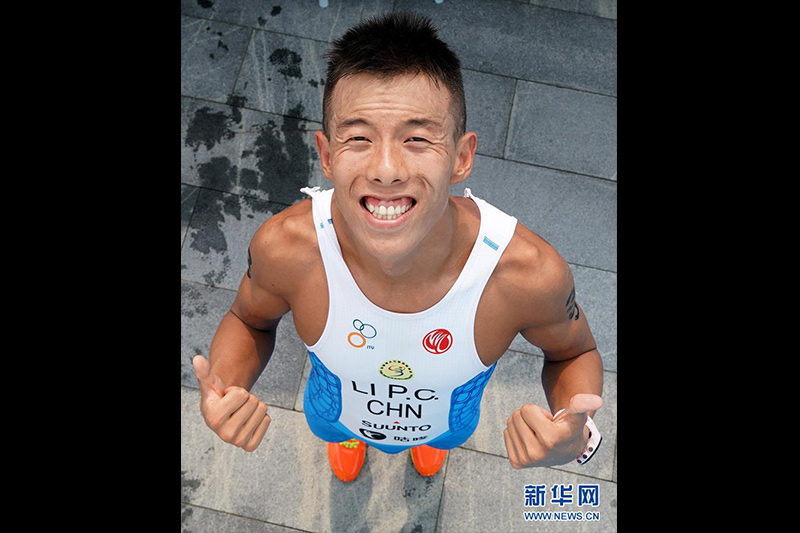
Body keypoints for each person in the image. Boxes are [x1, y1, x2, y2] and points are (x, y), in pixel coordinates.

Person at [191, 11, 604, 483]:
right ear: (327, 155)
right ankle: (351, 438)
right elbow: (249, 319)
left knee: (439, 439)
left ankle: (426, 443)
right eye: (359, 137)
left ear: (461, 157)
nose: (386, 169)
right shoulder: (287, 247)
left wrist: (575, 431)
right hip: (333, 414)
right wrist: (227, 388)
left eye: (417, 138)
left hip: (447, 425)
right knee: (334, 427)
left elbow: (573, 352)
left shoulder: (526, 274)